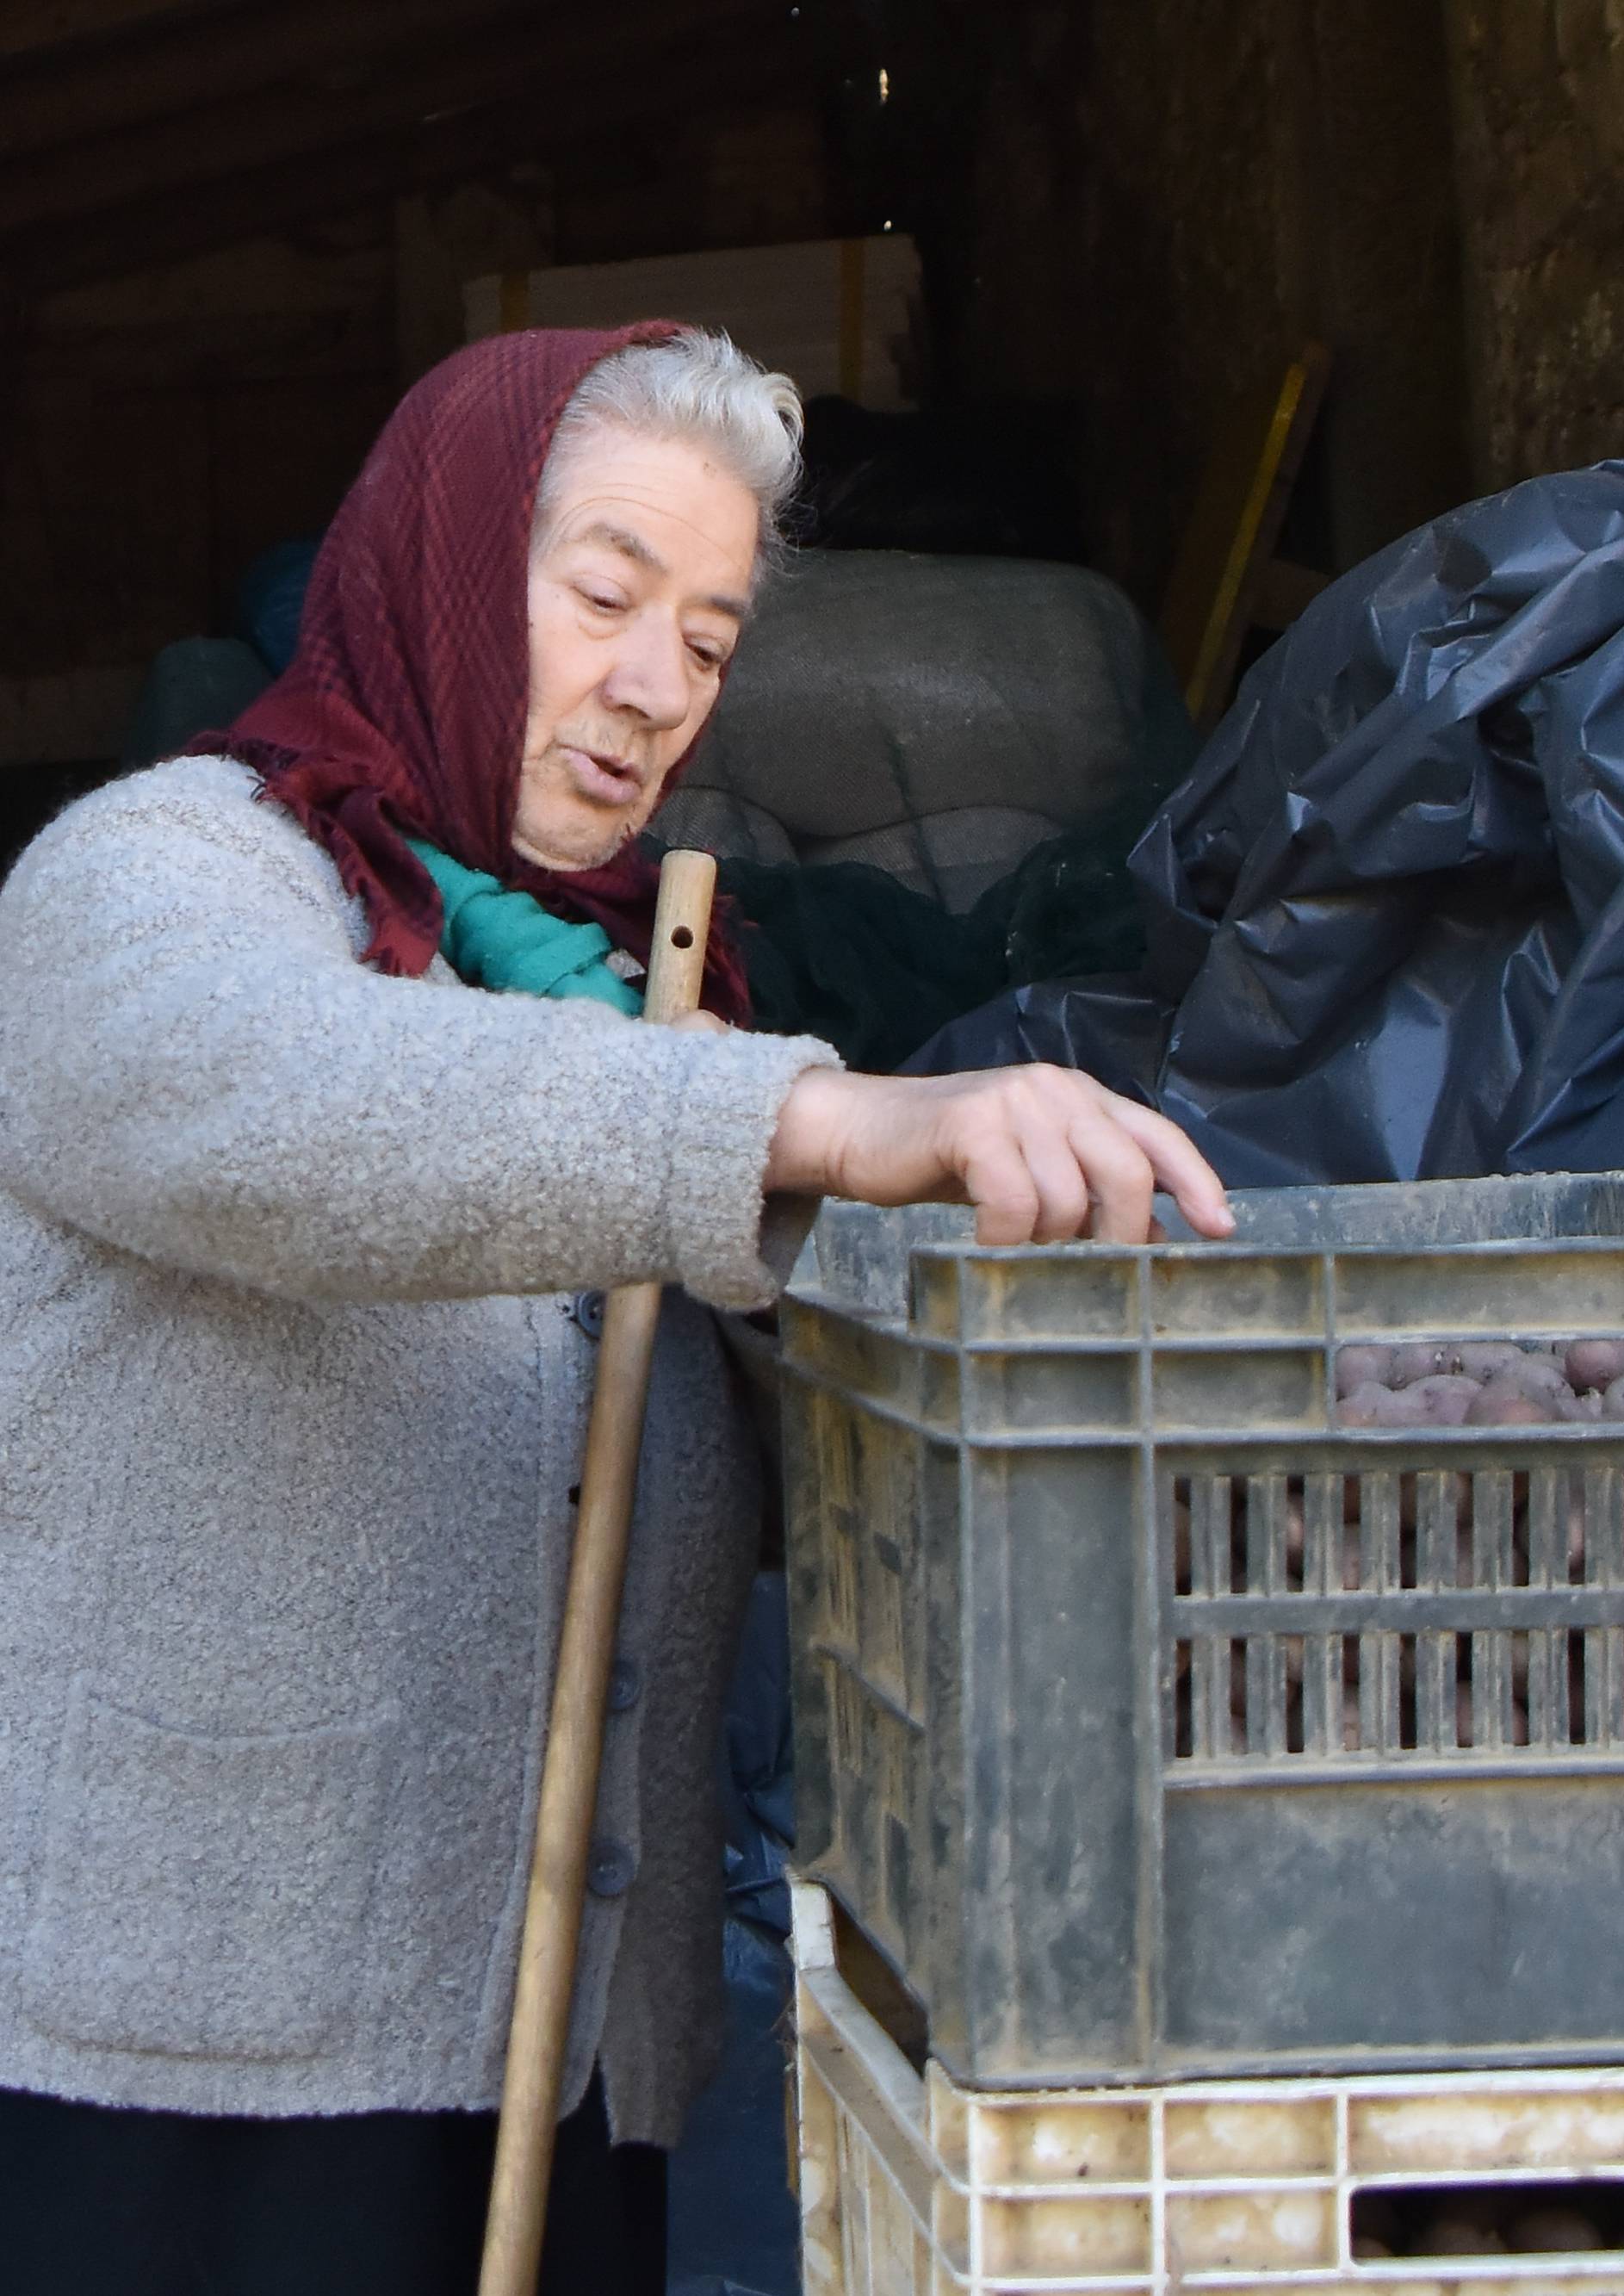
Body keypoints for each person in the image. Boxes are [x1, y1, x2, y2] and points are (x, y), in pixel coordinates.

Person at [0, 323, 1232, 2296]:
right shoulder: (155, 887)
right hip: (195, 2085)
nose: (655, 690)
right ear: (443, 560)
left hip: (562, 2080)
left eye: (714, 641)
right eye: (602, 595)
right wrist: (822, 1117)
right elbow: (286, 1099)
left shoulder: (641, 998)